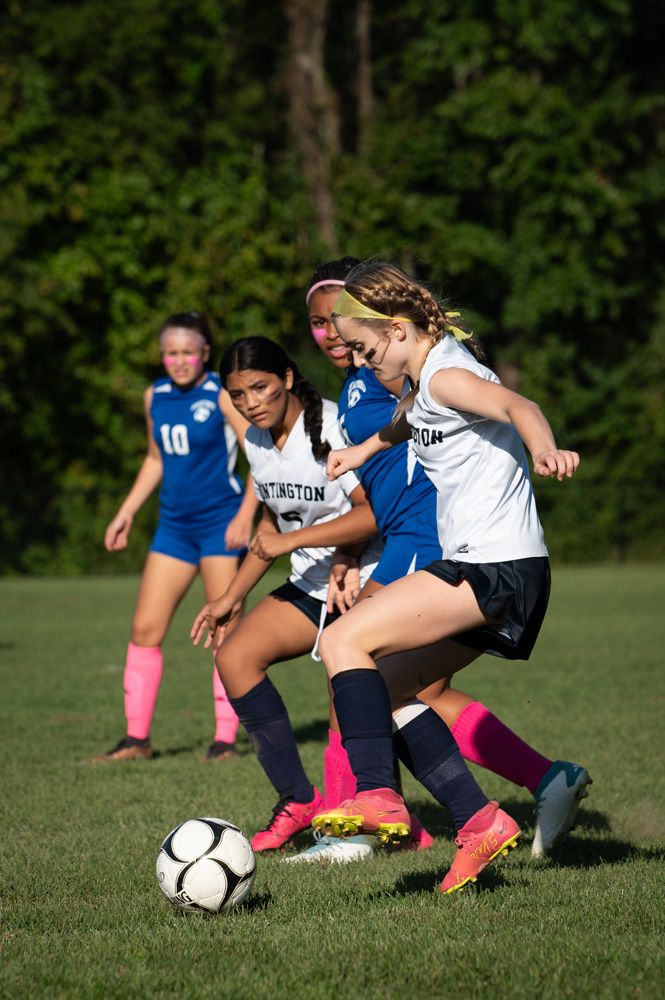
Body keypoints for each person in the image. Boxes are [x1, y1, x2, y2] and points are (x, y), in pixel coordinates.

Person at [289, 258, 591, 865]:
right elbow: (409, 420)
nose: (360, 360)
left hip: (494, 567)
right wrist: (361, 451)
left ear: (397, 329)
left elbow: (520, 405)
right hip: (501, 570)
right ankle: (478, 821)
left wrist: (545, 450)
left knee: (343, 640)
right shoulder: (426, 380)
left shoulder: (448, 375)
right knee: (390, 687)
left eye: (365, 349)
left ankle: (377, 795)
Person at [190, 336, 382, 855]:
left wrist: (294, 543)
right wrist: (232, 596)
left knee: (346, 694)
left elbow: (372, 514)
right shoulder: (257, 439)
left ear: (288, 378)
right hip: (310, 582)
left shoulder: (334, 425)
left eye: (260, 387)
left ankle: (350, 829)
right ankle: (299, 800)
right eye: (237, 395)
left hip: (365, 578)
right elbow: (274, 525)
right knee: (234, 659)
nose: (250, 403)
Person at [95, 311, 258, 763]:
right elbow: (155, 458)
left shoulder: (223, 394)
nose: (179, 360)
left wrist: (246, 515)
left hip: (221, 527)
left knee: (224, 633)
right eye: (171, 353)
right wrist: (126, 512)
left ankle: (224, 742)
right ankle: (136, 740)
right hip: (173, 529)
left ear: (205, 353)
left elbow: (259, 456)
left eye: (188, 352)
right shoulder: (155, 395)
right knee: (145, 629)